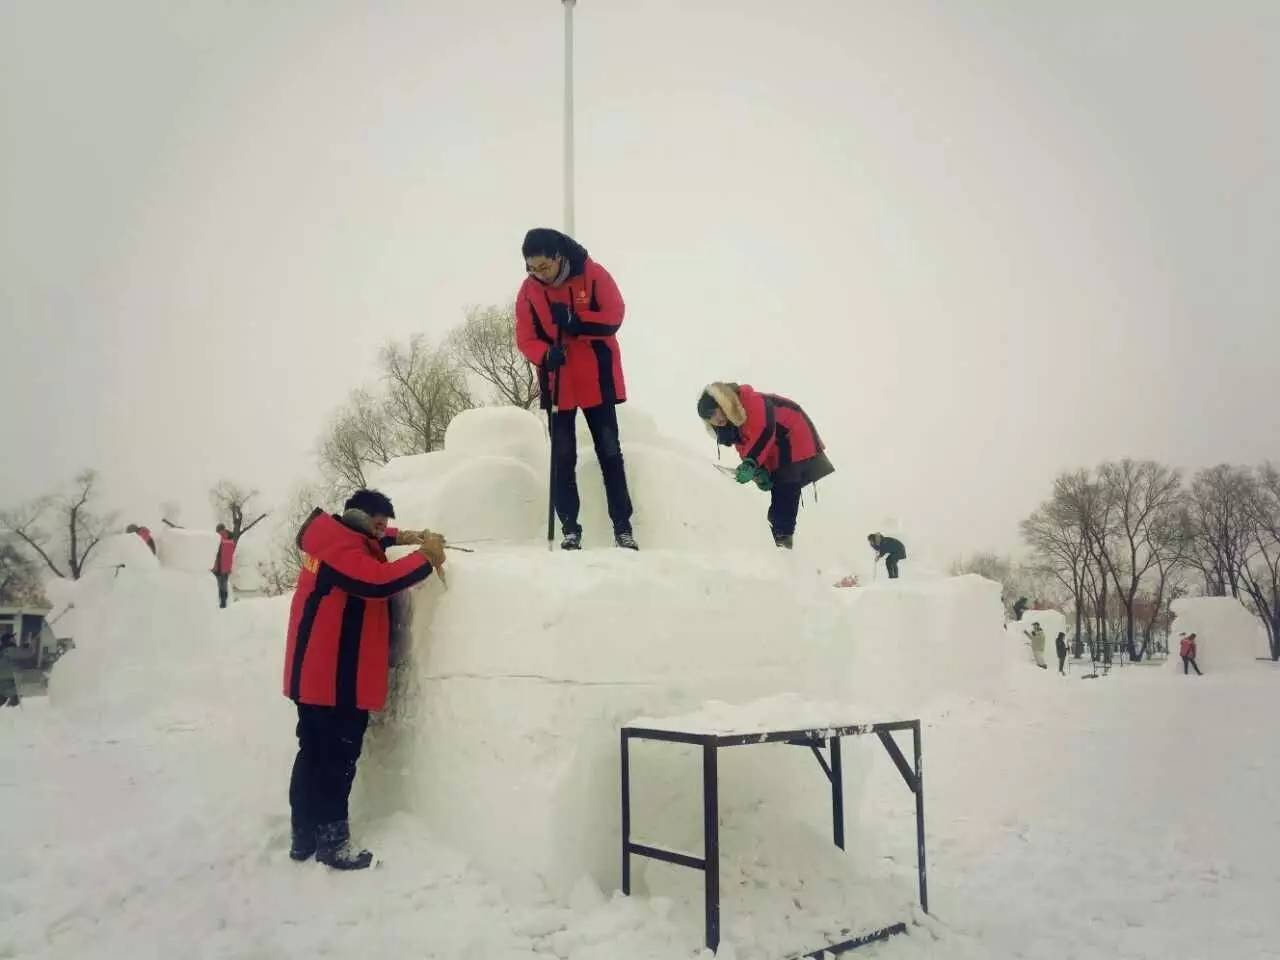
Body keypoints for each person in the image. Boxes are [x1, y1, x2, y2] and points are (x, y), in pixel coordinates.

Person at [283, 488, 445, 870]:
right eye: (379, 525)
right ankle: (333, 843)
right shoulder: (342, 550)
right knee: (336, 759)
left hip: (317, 675)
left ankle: (303, 834)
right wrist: (426, 557)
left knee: (313, 754)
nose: (382, 532)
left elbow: (368, 542)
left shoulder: (333, 539)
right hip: (335, 678)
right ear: (361, 519)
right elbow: (376, 581)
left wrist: (404, 536)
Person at [515, 228, 637, 551]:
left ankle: (623, 527)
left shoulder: (592, 274)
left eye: (543, 267)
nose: (538, 274)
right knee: (562, 457)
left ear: (558, 257)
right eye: (531, 268)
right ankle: (570, 528)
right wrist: (545, 355)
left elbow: (614, 316)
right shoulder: (529, 292)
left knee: (610, 454)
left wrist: (576, 321)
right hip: (559, 385)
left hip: (597, 380)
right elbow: (525, 337)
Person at [696, 383, 834, 549]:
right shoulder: (734, 427)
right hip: (776, 446)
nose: (716, 421)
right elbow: (748, 448)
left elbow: (765, 432)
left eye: (714, 412)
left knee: (786, 483)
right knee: (780, 490)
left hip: (794, 432)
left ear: (722, 403)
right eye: (709, 419)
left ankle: (783, 539)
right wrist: (760, 472)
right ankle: (779, 538)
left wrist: (751, 463)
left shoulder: (751, 402)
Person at [211, 524, 236, 609]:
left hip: (218, 567)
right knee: (224, 585)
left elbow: (215, 553)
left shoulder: (218, 538)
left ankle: (218, 604)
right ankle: (224, 602)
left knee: (217, 585)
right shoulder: (231, 539)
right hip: (227, 567)